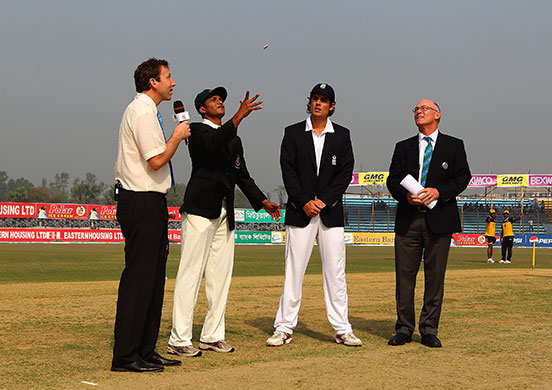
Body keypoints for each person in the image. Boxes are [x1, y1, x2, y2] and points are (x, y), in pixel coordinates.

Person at [168, 87, 280, 357]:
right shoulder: (194, 130)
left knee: (220, 278)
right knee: (190, 274)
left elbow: (242, 175)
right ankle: (179, 338)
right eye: (213, 99)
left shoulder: (233, 139)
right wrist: (238, 118)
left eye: (222, 99)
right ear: (202, 109)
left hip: (224, 213)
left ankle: (212, 335)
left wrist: (262, 201)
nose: (220, 101)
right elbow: (210, 145)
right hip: (199, 210)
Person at [266, 83, 362, 348]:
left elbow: (345, 173)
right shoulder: (293, 133)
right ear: (309, 103)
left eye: (324, 100)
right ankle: (284, 328)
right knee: (293, 271)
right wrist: (304, 201)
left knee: (336, 273)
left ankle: (342, 329)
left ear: (332, 106)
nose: (318, 103)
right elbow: (288, 172)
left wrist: (323, 201)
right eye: (315, 99)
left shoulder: (342, 135)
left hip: (330, 214)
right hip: (300, 212)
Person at [111, 58, 190, 373]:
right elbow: (156, 160)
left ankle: (145, 348)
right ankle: (126, 354)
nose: (174, 83)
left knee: (155, 279)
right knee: (139, 279)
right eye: (169, 77)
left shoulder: (147, 111)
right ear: (152, 81)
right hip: (140, 201)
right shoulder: (142, 111)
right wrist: (177, 137)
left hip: (152, 201)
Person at [386, 99, 471, 348]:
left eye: (424, 108)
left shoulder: (454, 146)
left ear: (438, 114)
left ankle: (429, 329)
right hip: (408, 220)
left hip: (440, 220)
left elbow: (463, 177)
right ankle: (403, 328)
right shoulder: (403, 147)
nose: (419, 111)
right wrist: (405, 196)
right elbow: (392, 179)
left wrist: (439, 192)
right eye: (416, 109)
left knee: (435, 278)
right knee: (404, 277)